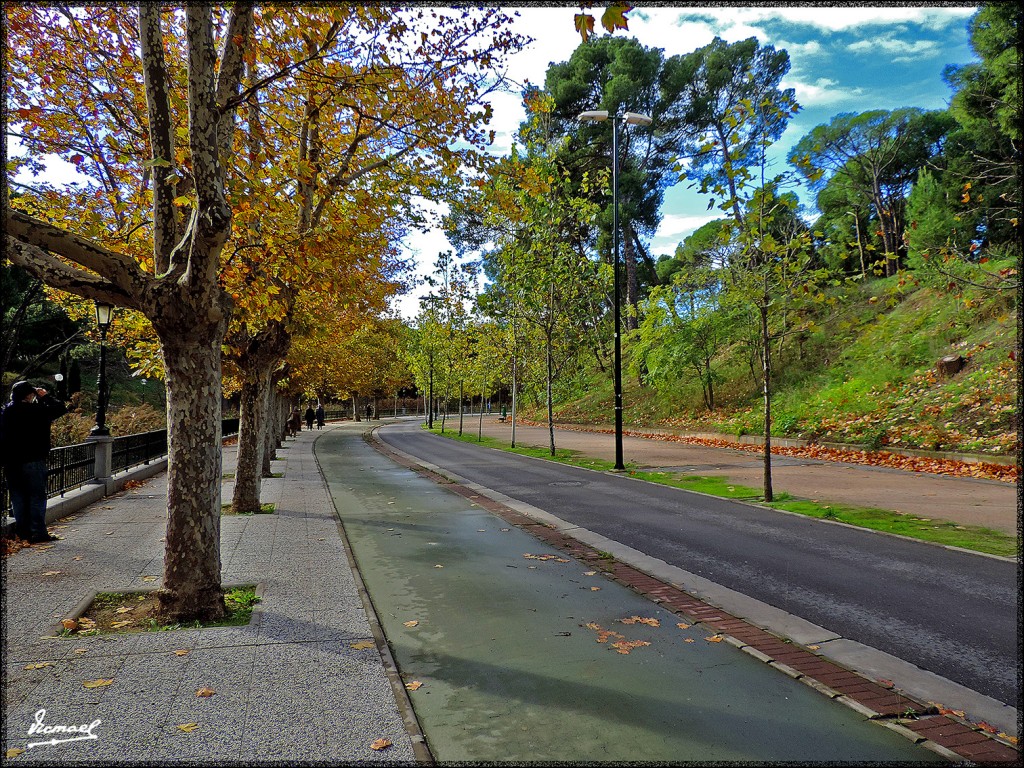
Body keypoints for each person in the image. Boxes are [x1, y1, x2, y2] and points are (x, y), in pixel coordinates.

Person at [1, 381, 67, 543]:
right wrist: (45, 397)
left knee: (18, 497)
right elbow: (60, 408)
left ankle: (23, 533)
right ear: (30, 395)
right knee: (36, 496)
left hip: (11, 461)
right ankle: (38, 532)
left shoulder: (6, 412)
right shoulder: (38, 411)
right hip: (33, 459)